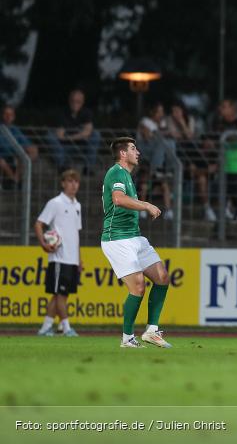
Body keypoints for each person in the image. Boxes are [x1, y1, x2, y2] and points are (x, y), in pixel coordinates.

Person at [101, 137, 172, 349]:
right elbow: (118, 199)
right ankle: (127, 338)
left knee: (162, 277)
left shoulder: (127, 176)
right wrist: (146, 205)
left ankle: (151, 331)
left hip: (134, 236)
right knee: (138, 286)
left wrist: (143, 204)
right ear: (123, 154)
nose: (138, 152)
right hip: (117, 238)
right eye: (133, 149)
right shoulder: (116, 172)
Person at [35, 170, 82, 337]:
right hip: (59, 258)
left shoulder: (77, 206)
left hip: (72, 259)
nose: (73, 185)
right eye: (70, 181)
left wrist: (79, 260)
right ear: (63, 183)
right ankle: (67, 328)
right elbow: (39, 224)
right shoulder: (55, 203)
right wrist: (44, 244)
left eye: (76, 182)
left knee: (60, 295)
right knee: (60, 295)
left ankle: (45, 328)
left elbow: (75, 234)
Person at [167, 101, 215, 221]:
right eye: (173, 111)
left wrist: (182, 123)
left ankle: (207, 208)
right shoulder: (169, 121)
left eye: (177, 111)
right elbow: (175, 137)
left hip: (190, 153)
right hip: (176, 155)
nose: (175, 114)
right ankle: (202, 169)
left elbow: (189, 137)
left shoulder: (190, 120)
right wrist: (182, 132)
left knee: (202, 178)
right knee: (197, 171)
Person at [48, 89, 101, 172]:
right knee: (49, 135)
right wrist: (81, 135)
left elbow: (87, 132)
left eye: (78, 101)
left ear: (82, 102)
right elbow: (60, 136)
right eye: (73, 101)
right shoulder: (62, 113)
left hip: (82, 147)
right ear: (69, 101)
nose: (75, 104)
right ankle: (62, 166)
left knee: (96, 134)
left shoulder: (86, 113)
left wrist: (68, 137)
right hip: (64, 147)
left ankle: (89, 168)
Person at [213, 99, 237, 223]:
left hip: (236, 165)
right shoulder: (218, 123)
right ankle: (225, 214)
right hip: (224, 164)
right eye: (221, 107)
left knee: (234, 191)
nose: (221, 109)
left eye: (224, 107)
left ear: (232, 109)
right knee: (223, 191)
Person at [0, 104, 38, 188]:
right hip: (2, 156)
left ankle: (15, 179)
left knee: (31, 151)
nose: (8, 117)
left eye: (10, 115)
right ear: (2, 115)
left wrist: (30, 148)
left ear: (13, 117)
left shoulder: (15, 129)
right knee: (2, 161)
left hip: (14, 154)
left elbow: (26, 143)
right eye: (6, 114)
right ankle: (14, 179)